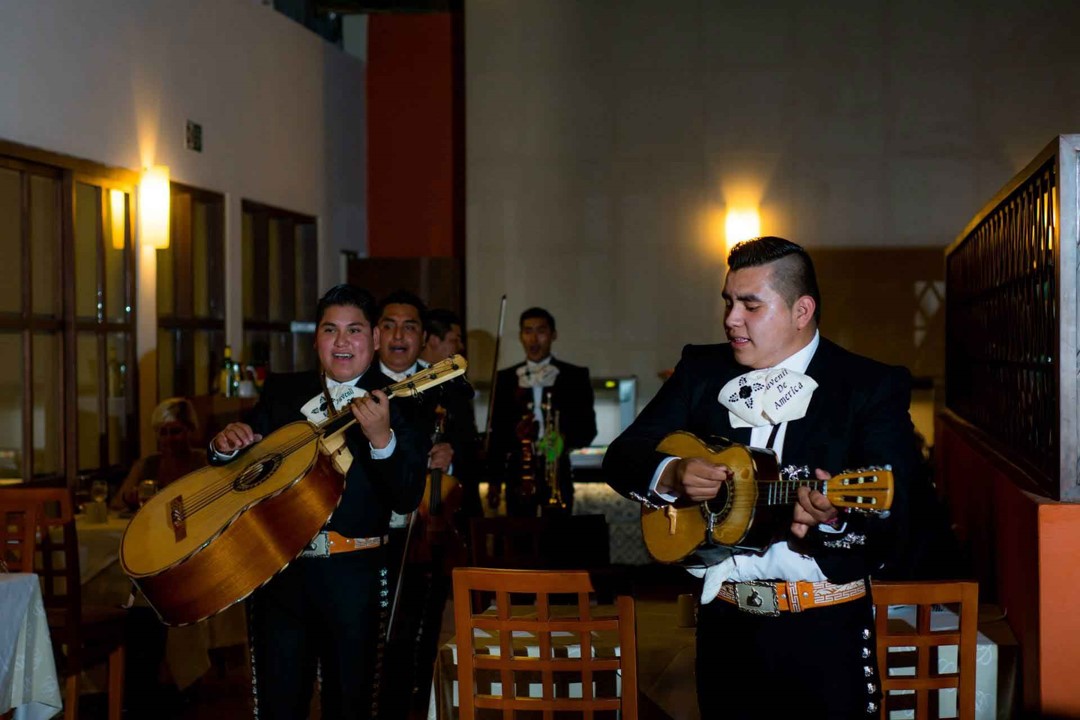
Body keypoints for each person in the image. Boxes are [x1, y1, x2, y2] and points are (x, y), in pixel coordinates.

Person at [603, 236, 922, 719]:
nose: (731, 318)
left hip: (824, 631)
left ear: (802, 310)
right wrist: (672, 474)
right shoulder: (701, 370)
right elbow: (622, 457)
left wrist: (833, 519)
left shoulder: (868, 385)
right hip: (724, 629)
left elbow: (899, 520)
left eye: (751, 305)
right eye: (729, 302)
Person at [209, 284, 429, 720]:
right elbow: (243, 462)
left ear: (376, 340)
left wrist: (382, 438)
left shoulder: (404, 398)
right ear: (316, 340)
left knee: (350, 704)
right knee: (278, 703)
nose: (342, 342)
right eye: (331, 330)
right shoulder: (284, 391)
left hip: (356, 577)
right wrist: (224, 447)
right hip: (279, 570)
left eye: (355, 330)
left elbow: (406, 495)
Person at [374, 292, 477, 718]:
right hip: (372, 531)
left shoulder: (449, 385)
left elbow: (474, 447)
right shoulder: (358, 385)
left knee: (421, 631)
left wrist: (454, 450)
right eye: (390, 326)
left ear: (422, 338)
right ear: (378, 334)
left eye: (410, 327)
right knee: (375, 639)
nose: (399, 336)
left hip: (429, 528)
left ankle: (415, 706)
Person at [487, 307, 596, 516]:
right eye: (527, 331)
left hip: (557, 470)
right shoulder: (506, 378)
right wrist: (494, 481)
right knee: (519, 540)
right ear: (521, 336)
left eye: (541, 331)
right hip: (516, 472)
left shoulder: (575, 376)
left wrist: (563, 439)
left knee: (556, 540)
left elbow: (588, 430)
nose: (533, 339)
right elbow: (497, 433)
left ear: (553, 335)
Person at [112, 397, 207, 510]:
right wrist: (129, 498)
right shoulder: (146, 464)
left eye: (175, 431)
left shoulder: (205, 462)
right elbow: (117, 504)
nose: (169, 439)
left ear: (190, 430)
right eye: (163, 433)